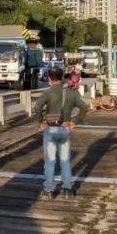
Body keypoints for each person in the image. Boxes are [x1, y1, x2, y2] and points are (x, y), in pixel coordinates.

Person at [33, 66, 89, 200]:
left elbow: (37, 107)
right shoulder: (71, 92)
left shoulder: (48, 93)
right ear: (62, 77)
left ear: (50, 79)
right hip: (65, 128)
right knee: (65, 161)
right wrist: (75, 121)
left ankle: (49, 190)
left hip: (50, 129)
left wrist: (41, 121)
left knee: (50, 161)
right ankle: (68, 190)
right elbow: (84, 107)